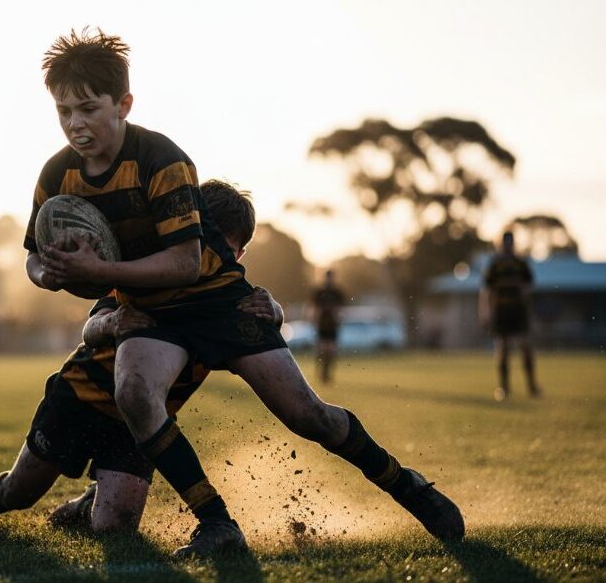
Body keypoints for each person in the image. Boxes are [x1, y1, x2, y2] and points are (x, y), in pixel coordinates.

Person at [28, 29, 465, 556]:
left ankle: (408, 486)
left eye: (88, 107)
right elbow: (50, 268)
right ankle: (217, 523)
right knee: (135, 393)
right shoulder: (62, 177)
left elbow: (190, 264)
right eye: (63, 110)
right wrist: (50, 272)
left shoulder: (162, 161)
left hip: (217, 306)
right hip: (155, 314)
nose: (75, 122)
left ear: (123, 105)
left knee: (308, 415)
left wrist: (106, 268)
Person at [0, 181, 279, 549]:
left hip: (137, 425)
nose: (208, 257)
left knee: (113, 529)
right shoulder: (144, 275)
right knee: (19, 494)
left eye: (224, 250)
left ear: (240, 254)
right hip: (80, 397)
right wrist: (113, 323)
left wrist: (274, 311)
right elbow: (91, 328)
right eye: (202, 243)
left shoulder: (232, 302)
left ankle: (88, 502)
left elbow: (259, 335)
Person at [479, 231, 542, 401]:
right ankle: (504, 387)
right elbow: (487, 290)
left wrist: (528, 309)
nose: (508, 245)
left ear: (513, 244)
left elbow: (528, 288)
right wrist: (485, 311)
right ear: (501, 244)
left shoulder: (520, 264)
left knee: (526, 346)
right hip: (501, 312)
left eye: (510, 242)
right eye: (505, 242)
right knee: (503, 349)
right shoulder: (495, 264)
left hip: (518, 311)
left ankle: (532, 386)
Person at [312, 269, 346, 384]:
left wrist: (339, 318)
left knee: (331, 351)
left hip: (333, 325)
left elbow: (341, 309)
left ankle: (328, 374)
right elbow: (314, 307)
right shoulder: (319, 292)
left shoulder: (338, 292)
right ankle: (321, 372)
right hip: (322, 324)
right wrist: (314, 319)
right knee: (322, 349)